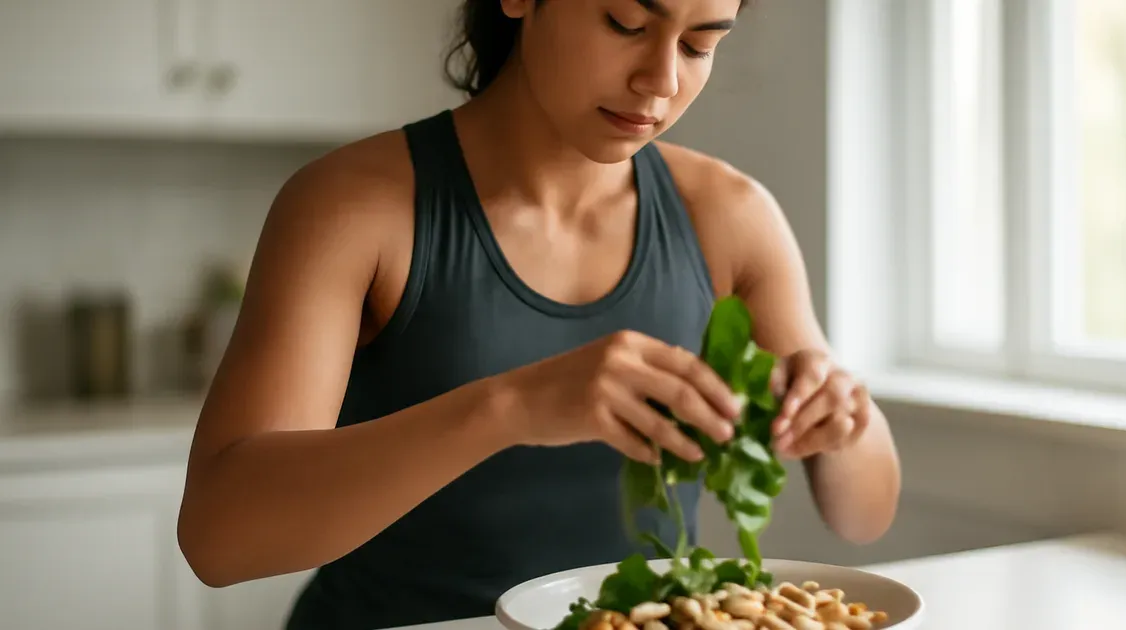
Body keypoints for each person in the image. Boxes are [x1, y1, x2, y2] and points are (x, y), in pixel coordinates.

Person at [175, 0, 902, 628]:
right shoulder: (350, 207)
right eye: (626, 22)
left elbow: (865, 515)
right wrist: (513, 405)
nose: (662, 81)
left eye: (699, 43)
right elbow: (220, 538)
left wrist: (840, 420)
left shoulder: (731, 216)